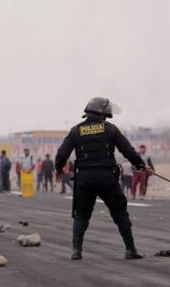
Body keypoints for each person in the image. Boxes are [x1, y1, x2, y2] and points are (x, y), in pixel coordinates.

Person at [55, 97, 149, 260]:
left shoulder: (75, 131)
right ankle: (130, 249)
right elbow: (128, 151)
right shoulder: (111, 129)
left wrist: (58, 170)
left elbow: (61, 155)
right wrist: (141, 165)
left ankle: (76, 251)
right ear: (103, 112)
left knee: (81, 215)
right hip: (107, 178)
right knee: (120, 213)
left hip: (84, 179)